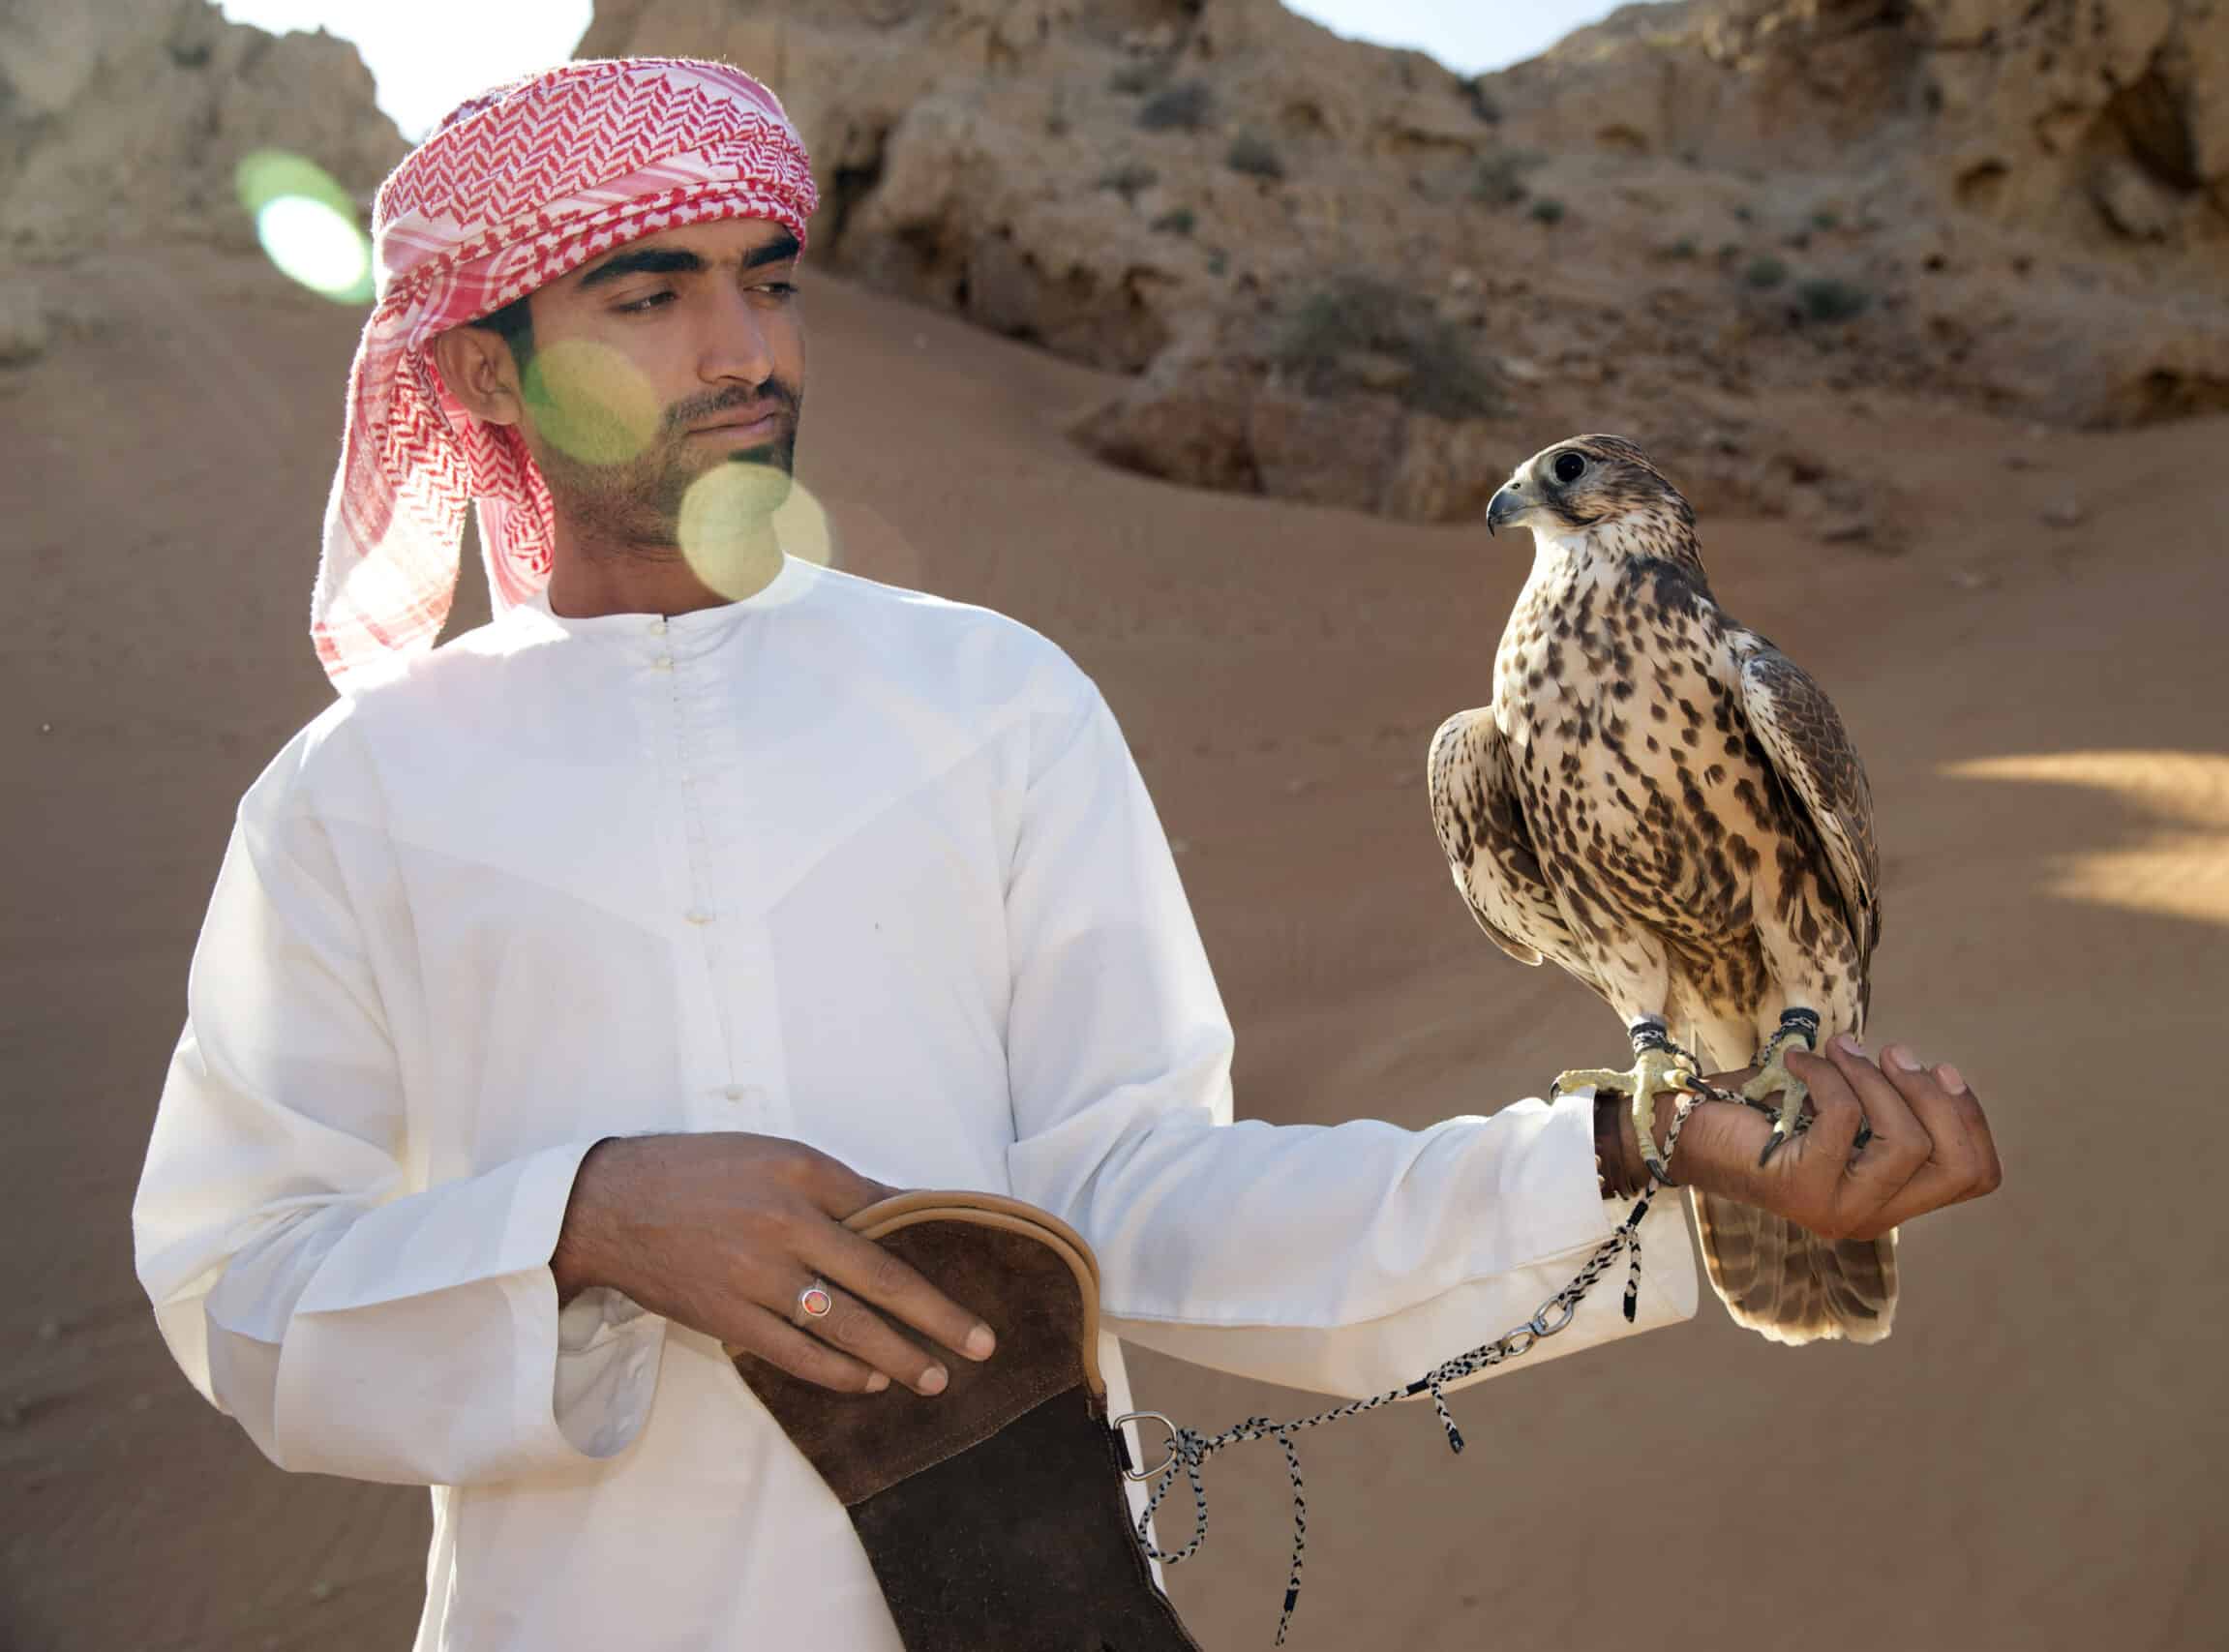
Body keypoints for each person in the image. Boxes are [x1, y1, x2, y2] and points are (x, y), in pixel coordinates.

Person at [131, 57, 2002, 1651]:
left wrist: (1636, 1148)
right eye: (647, 298)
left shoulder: (987, 700)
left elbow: (1148, 1199)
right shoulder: (357, 793)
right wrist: (586, 1226)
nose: (741, 349)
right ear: (478, 376)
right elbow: (239, 1287)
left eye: (767, 281)